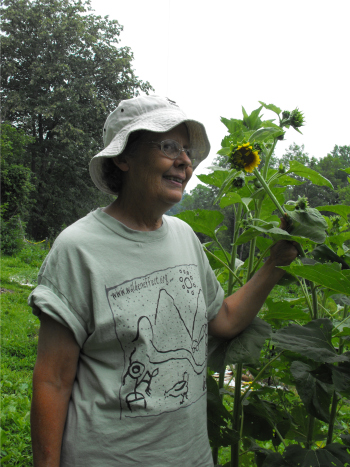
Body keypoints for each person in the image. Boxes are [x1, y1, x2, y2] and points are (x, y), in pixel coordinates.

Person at [29, 95, 297, 467]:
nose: (185, 161)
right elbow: (53, 380)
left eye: (187, 151)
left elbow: (224, 320)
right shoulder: (78, 249)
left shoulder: (185, 236)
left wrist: (276, 262)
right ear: (123, 157)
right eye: (169, 146)